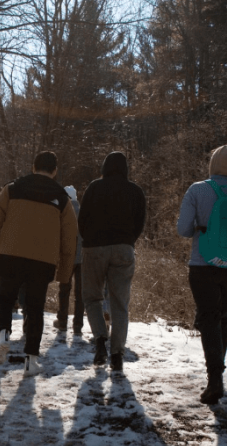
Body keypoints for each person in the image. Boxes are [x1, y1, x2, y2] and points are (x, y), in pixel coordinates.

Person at [0, 151, 78, 376]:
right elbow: (70, 239)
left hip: (10, 255)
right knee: (35, 307)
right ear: (55, 171)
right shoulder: (62, 199)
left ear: (33, 167)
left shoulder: (12, 189)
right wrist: (64, 273)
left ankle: (3, 336)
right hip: (43, 261)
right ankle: (31, 359)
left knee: (5, 298)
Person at [176, 145, 227, 404]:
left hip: (203, 265)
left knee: (209, 317)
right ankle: (217, 373)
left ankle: (215, 379)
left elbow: (182, 230)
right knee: (220, 316)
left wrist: (200, 227)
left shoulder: (197, 190)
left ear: (212, 164)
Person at [78, 151, 146, 371]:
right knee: (119, 303)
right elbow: (140, 223)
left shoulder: (94, 187)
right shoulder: (135, 191)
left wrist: (90, 240)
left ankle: (100, 340)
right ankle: (117, 353)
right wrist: (127, 241)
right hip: (123, 249)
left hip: (94, 248)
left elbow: (83, 219)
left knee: (92, 297)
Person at [53, 185, 84, 335]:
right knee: (80, 293)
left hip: (67, 256)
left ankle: (63, 321)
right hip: (83, 258)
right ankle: (78, 325)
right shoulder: (85, 212)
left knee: (64, 290)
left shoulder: (62, 212)